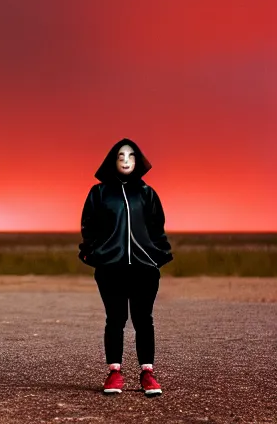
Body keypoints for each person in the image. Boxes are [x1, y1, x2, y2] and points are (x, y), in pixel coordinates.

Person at [79, 138, 173, 397]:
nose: (125, 159)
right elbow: (89, 227)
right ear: (113, 159)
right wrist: (93, 254)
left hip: (144, 267)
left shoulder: (147, 193)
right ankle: (115, 373)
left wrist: (158, 257)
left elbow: (157, 228)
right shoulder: (98, 193)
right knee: (115, 320)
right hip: (111, 267)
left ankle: (147, 374)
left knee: (144, 320)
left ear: (137, 160)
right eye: (121, 155)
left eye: (131, 155)